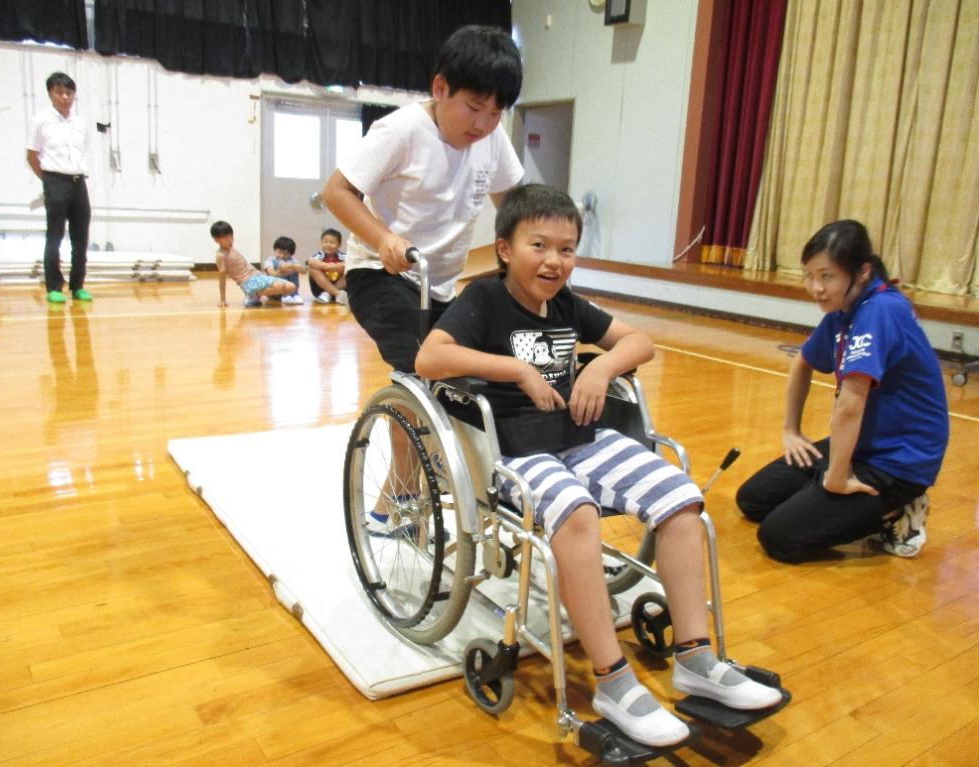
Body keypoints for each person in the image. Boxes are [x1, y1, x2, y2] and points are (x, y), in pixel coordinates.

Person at [416, 184, 782, 747]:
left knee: (680, 497)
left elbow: (641, 341)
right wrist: (516, 370)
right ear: (505, 249)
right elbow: (430, 357)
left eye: (567, 248)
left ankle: (696, 658)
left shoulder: (566, 305)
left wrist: (601, 367)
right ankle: (612, 682)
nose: (554, 259)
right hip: (514, 451)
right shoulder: (483, 301)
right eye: (539, 244)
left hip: (579, 437)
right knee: (577, 514)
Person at [735, 220, 949, 562]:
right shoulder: (843, 309)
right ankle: (836, 500)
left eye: (827, 276)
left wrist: (835, 478)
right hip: (861, 443)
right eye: (810, 275)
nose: (816, 287)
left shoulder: (881, 310)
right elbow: (802, 363)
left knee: (779, 538)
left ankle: (898, 509)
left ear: (862, 272)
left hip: (898, 459)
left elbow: (850, 405)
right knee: (753, 499)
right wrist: (791, 430)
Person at [321, 24, 524, 372]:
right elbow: (336, 191)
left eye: (495, 113)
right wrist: (384, 239)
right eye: (474, 107)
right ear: (440, 88)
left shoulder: (493, 138)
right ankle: (409, 421)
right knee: (423, 367)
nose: (483, 124)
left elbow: (515, 207)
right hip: (381, 273)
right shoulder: (403, 131)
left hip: (441, 284)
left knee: (475, 369)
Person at [27, 71, 92, 304]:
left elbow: (82, 152)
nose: (65, 97)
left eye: (69, 92)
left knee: (81, 237)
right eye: (59, 92)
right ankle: (54, 286)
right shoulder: (41, 120)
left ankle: (78, 286)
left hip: (78, 181)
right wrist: (48, 180)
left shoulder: (79, 123)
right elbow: (32, 155)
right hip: (55, 181)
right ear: (50, 94)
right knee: (54, 235)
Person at [211, 221, 297, 308]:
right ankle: (252, 295)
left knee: (292, 287)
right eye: (226, 238)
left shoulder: (232, 248)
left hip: (257, 276)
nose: (230, 240)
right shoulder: (221, 255)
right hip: (247, 282)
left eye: (231, 236)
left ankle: (260, 295)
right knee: (281, 286)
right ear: (216, 239)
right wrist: (222, 299)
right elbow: (222, 278)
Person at [306, 228, 347, 304]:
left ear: (339, 244)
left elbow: (348, 263)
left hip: (342, 289)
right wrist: (328, 266)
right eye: (325, 242)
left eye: (332, 242)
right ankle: (336, 293)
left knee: (350, 270)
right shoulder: (318, 256)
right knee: (312, 269)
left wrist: (333, 267)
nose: (328, 245)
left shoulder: (343, 256)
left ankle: (331, 293)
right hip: (321, 292)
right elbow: (310, 262)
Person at [263, 235, 305, 305]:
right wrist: (282, 270)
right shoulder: (270, 260)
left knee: (294, 271)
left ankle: (294, 295)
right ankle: (285, 295)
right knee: (284, 272)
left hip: (290, 289)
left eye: (285, 254)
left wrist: (292, 266)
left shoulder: (293, 261)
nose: (282, 256)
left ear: (291, 254)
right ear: (275, 250)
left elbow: (303, 271)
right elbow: (272, 273)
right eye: (279, 252)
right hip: (274, 291)